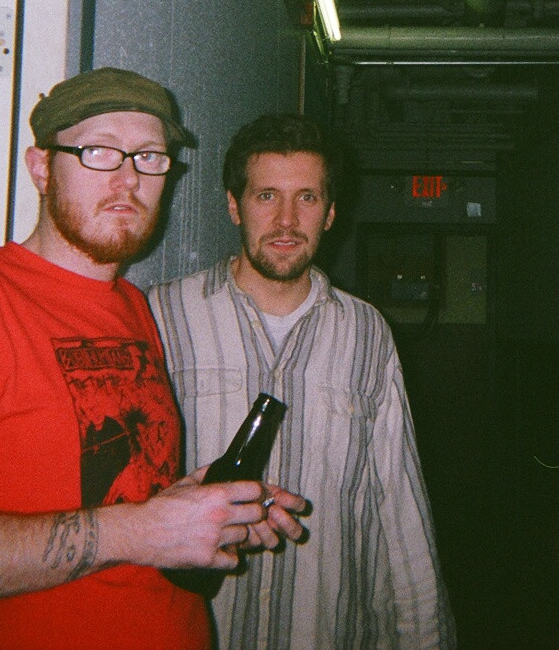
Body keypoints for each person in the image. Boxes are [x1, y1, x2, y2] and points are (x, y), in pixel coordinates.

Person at [0, 68, 306, 650]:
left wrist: (193, 510)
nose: (128, 179)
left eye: (150, 157)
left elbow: (113, 500)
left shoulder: (131, 307)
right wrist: (137, 530)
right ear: (41, 168)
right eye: (99, 152)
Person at [148, 113, 456, 650]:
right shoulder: (162, 316)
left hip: (329, 631)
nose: (286, 220)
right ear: (234, 205)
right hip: (202, 631)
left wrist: (425, 637)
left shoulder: (367, 332)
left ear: (331, 213)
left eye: (307, 198)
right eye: (266, 195)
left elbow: (398, 502)